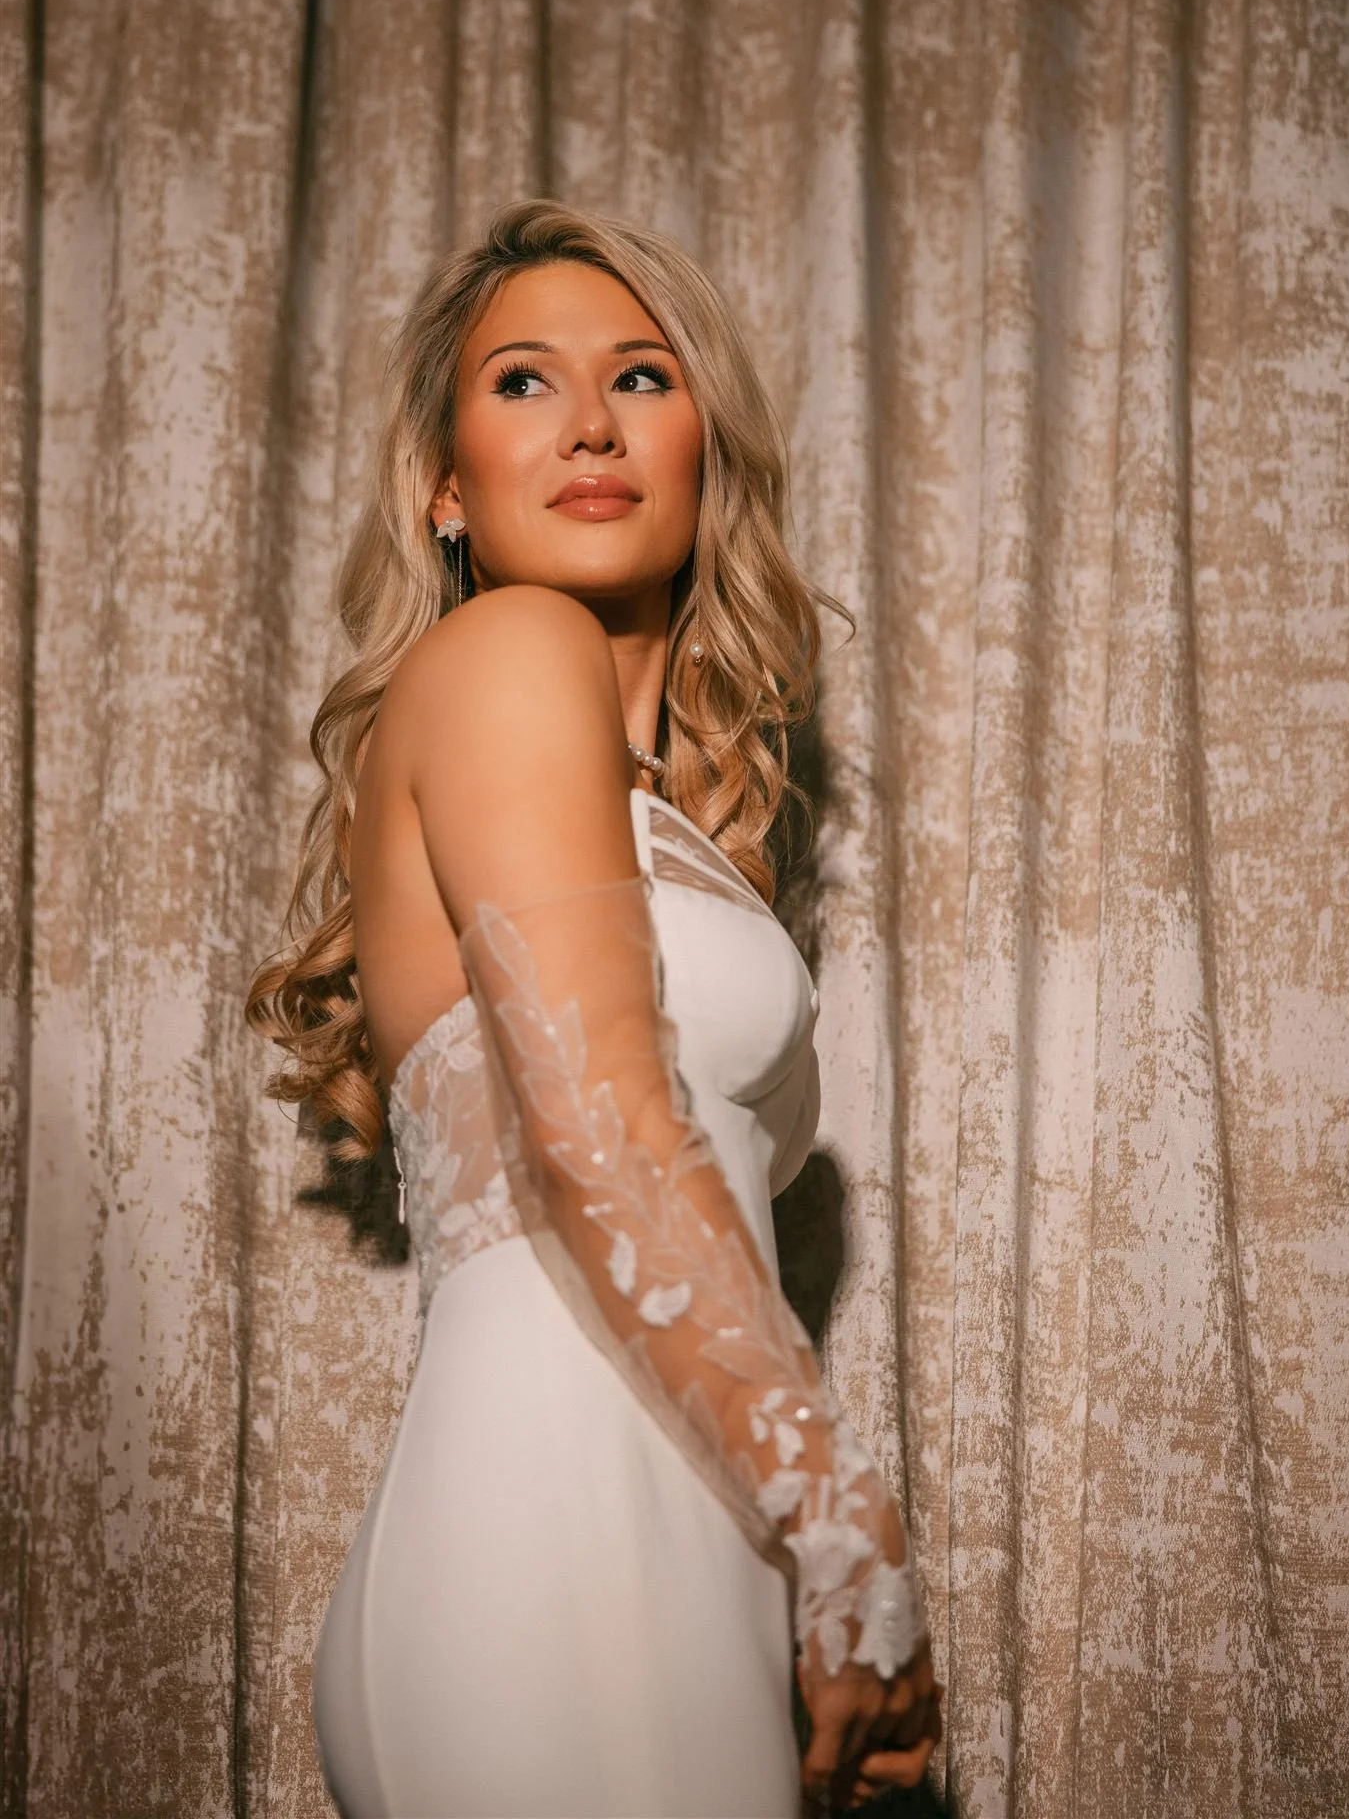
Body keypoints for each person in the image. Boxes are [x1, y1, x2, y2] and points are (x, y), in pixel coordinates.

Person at [247, 200, 941, 1818]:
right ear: (442, 485)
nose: (586, 423)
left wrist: (788, 1554)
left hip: (688, 1529)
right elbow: (601, 1117)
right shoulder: (511, 646)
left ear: (703, 447)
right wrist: (843, 1527)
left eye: (640, 376)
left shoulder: (681, 836)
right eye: (519, 385)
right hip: (548, 1526)